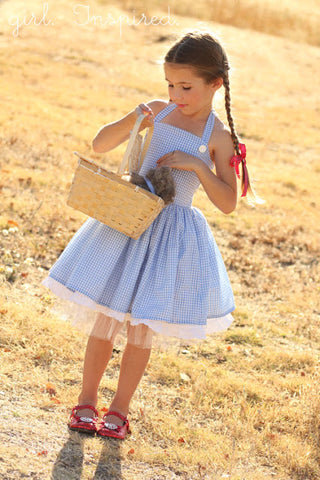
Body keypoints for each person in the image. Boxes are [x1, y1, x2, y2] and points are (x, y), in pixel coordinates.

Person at [42, 31, 258, 439]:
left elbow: (228, 201)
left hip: (169, 234)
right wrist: (132, 120)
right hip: (128, 222)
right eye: (170, 85)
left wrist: (198, 167)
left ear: (217, 84)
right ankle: (86, 402)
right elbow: (100, 143)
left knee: (141, 328)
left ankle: (119, 411)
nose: (176, 94)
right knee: (106, 318)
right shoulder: (157, 112)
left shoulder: (219, 138)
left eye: (186, 87)